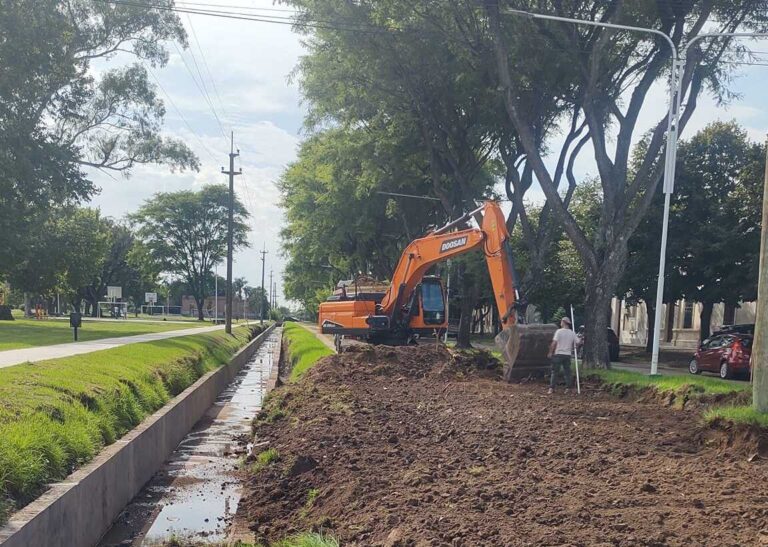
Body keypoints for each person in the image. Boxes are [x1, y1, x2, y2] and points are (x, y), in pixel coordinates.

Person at [547, 316, 578, 394]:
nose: (560, 323)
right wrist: (575, 347)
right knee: (567, 372)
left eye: (561, 321)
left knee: (555, 372)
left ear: (564, 322)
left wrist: (550, 352)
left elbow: (554, 343)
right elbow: (578, 342)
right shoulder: (572, 333)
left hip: (558, 354)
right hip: (567, 355)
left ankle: (551, 388)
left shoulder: (559, 332)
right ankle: (568, 388)